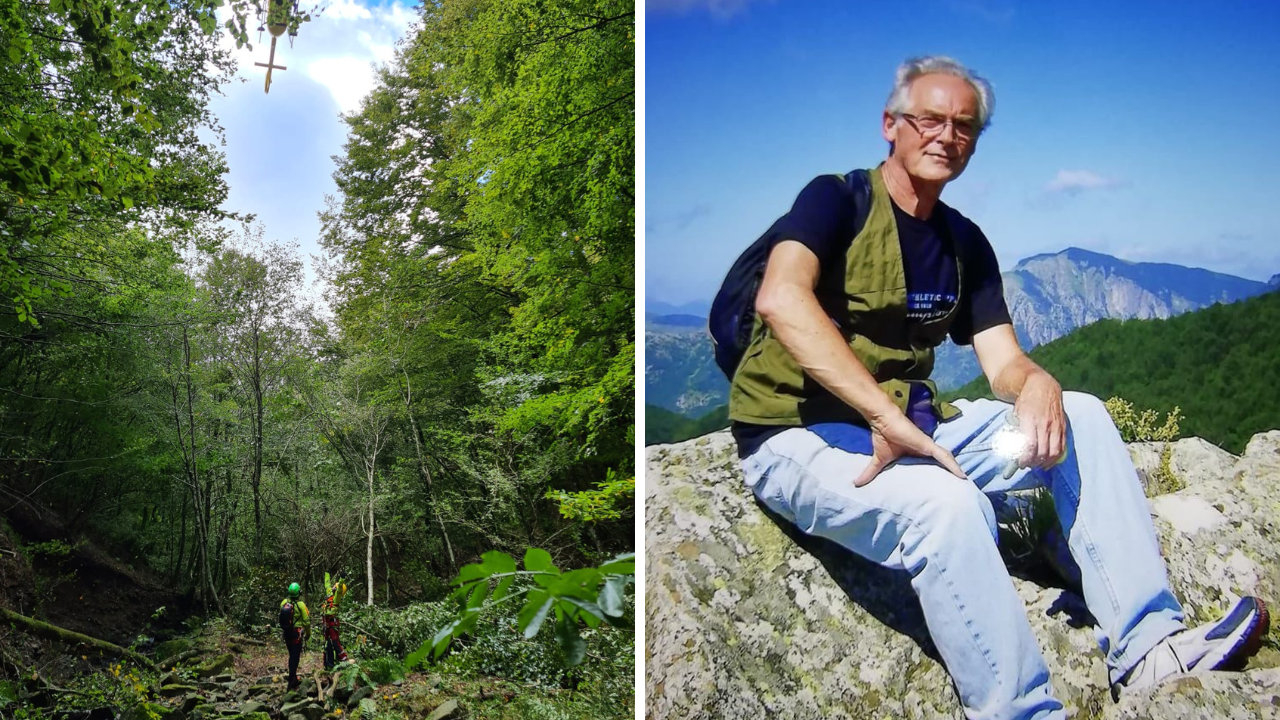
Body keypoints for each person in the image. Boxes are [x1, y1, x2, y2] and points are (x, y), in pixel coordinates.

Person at [729, 55, 1268, 720]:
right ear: (891, 124)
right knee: (946, 508)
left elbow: (1002, 360)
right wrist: (881, 414)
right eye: (929, 118)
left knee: (1084, 417)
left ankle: (1149, 647)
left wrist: (1037, 383)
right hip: (798, 436)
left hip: (918, 427)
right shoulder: (837, 201)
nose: (945, 135)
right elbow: (782, 299)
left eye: (964, 125)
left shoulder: (964, 244)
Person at [279, 582, 311, 690]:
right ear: (299, 593)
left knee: (291, 655)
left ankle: (292, 677)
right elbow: (306, 622)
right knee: (295, 656)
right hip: (296, 633)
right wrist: (308, 633)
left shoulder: (284, 603)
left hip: (287, 633)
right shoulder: (301, 605)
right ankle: (292, 680)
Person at [320, 573, 350, 670]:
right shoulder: (329, 595)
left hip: (332, 623)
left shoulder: (337, 598)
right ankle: (328, 663)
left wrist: (341, 579)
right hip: (326, 623)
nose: (333, 587)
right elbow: (327, 585)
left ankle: (343, 659)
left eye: (335, 587)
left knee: (335, 641)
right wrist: (327, 574)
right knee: (326, 643)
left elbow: (340, 588)